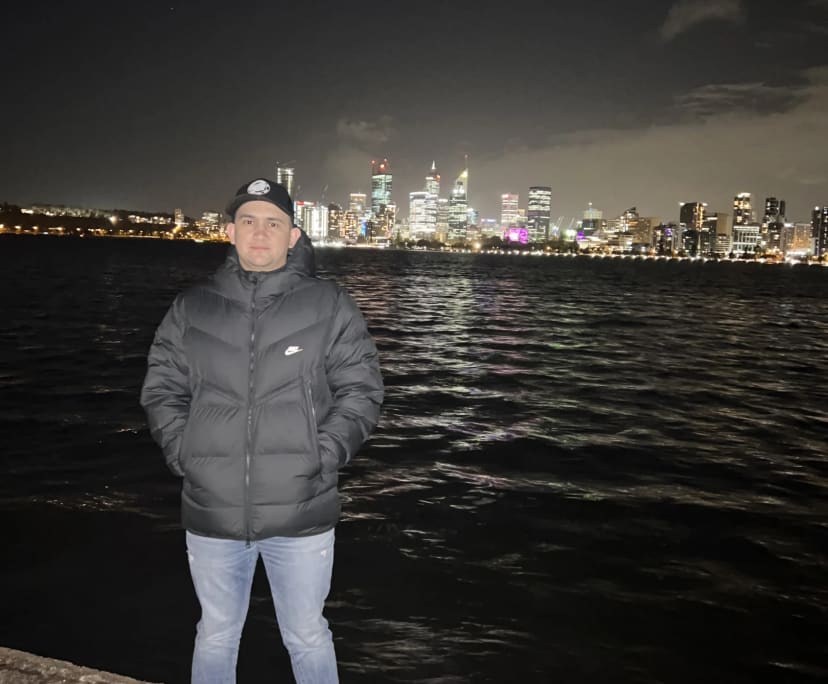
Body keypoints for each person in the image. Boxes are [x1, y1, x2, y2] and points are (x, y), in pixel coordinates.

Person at [140, 178, 384, 684]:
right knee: (215, 633)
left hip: (301, 509)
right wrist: (185, 453)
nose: (259, 232)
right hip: (211, 507)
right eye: (248, 220)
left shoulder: (329, 304)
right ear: (229, 231)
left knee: (307, 634)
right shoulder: (192, 307)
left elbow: (361, 391)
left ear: (293, 236)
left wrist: (320, 456)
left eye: (274, 223)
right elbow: (162, 389)